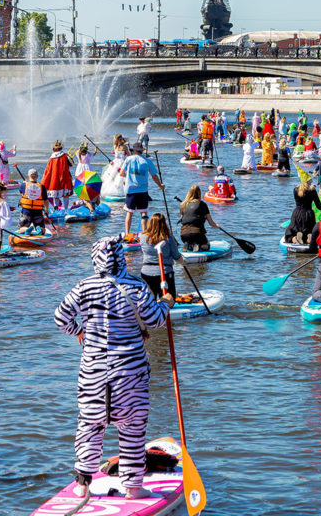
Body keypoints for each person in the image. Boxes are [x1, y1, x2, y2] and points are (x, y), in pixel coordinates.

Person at [53, 237, 173, 500]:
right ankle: (132, 488)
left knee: (90, 425)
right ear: (121, 257)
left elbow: (60, 317)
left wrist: (80, 331)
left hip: (93, 372)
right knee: (131, 428)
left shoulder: (83, 286)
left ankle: (83, 483)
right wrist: (166, 302)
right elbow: (155, 321)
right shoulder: (135, 285)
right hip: (129, 372)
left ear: (95, 259)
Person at [122, 142, 162, 238]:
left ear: (134, 150)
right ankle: (144, 233)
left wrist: (126, 178)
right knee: (143, 212)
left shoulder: (128, 159)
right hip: (143, 190)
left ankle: (127, 234)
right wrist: (160, 185)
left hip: (130, 190)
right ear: (141, 151)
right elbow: (154, 176)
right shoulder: (147, 161)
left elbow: (122, 173)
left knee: (129, 212)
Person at [140, 213, 183, 298]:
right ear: (164, 224)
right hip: (164, 273)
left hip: (145, 273)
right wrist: (183, 262)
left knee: (149, 299)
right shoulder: (168, 238)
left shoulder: (143, 237)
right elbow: (177, 257)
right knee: (169, 299)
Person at [178, 185, 220, 253]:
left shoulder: (183, 204)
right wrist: (217, 226)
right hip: (197, 234)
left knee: (190, 238)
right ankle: (197, 245)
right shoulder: (202, 204)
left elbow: (183, 219)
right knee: (207, 246)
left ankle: (189, 244)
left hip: (183, 235)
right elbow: (211, 223)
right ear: (199, 193)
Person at [42, 140, 74, 211]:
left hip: (54, 178)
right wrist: (71, 158)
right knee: (66, 195)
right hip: (65, 177)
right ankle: (66, 209)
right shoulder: (65, 156)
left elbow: (47, 170)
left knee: (56, 195)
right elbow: (72, 164)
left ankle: (55, 208)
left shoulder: (51, 158)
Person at [17, 169, 49, 235]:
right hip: (38, 212)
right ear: (37, 176)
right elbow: (46, 200)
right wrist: (46, 210)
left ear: (28, 177)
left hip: (26, 211)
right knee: (43, 230)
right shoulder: (42, 187)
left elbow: (21, 194)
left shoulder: (24, 185)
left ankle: (26, 229)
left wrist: (24, 183)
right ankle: (40, 229)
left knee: (20, 229)